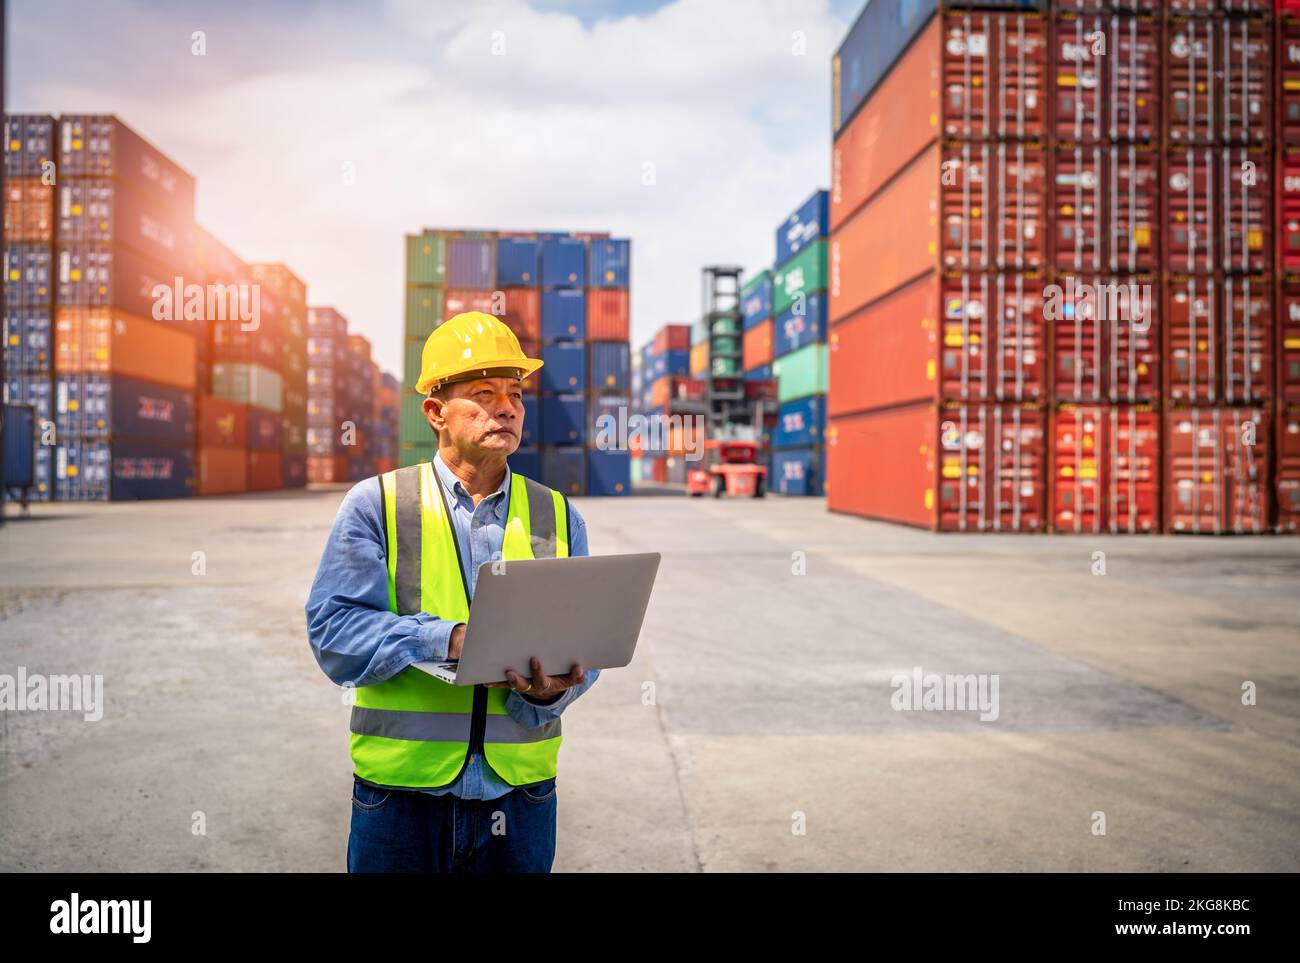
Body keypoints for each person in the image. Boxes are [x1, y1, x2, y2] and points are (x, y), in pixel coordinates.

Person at [306, 311, 600, 873]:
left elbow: (585, 644)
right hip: (401, 795)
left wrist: (548, 693)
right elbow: (334, 632)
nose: (507, 407)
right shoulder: (379, 505)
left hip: (521, 795)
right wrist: (451, 639)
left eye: (514, 393)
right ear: (436, 414)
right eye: (484, 393)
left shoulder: (558, 514)